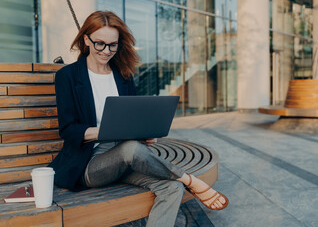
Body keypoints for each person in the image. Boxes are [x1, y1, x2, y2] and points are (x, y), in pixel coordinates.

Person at [48, 11, 228, 227]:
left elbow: (131, 118)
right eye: (100, 44)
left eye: (112, 45)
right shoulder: (68, 76)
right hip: (90, 164)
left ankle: (181, 182)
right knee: (131, 149)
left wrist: (143, 134)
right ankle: (190, 180)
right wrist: (108, 131)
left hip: (128, 157)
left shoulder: (123, 75)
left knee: (172, 188)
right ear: (86, 39)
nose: (106, 51)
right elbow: (68, 130)